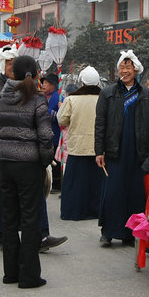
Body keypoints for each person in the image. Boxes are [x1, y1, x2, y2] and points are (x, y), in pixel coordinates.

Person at [0, 44, 66, 251]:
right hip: (2, 154)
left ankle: (41, 235)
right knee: (3, 199)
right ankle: (3, 235)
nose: (11, 66)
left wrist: (43, 157)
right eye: (7, 63)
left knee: (35, 197)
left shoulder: (33, 91)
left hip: (29, 156)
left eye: (14, 62)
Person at [0, 55, 54, 289]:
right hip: (29, 165)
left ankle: (11, 273)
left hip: (5, 164)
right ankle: (29, 276)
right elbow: (46, 135)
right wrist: (44, 161)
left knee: (9, 219)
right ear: (35, 73)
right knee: (30, 219)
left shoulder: (1, 97)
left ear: (13, 73)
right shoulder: (37, 98)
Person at [94, 50, 149, 247]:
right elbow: (100, 123)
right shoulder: (108, 93)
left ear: (136, 70)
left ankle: (131, 233)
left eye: (128, 67)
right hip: (115, 151)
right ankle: (108, 231)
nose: (125, 71)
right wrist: (99, 150)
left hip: (139, 152)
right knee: (113, 191)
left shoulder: (146, 95)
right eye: (122, 67)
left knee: (134, 193)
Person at [56, 66, 102, 220]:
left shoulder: (71, 99)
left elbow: (61, 119)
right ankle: (96, 211)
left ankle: (74, 212)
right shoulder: (103, 98)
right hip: (98, 148)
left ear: (82, 82)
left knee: (75, 183)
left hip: (77, 147)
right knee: (96, 183)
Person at [40, 73, 63, 193]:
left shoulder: (58, 97)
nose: (43, 85)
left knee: (56, 162)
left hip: (55, 134)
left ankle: (58, 185)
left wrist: (45, 111)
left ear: (53, 85)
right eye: (43, 82)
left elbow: (61, 117)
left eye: (46, 83)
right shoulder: (42, 96)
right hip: (44, 134)